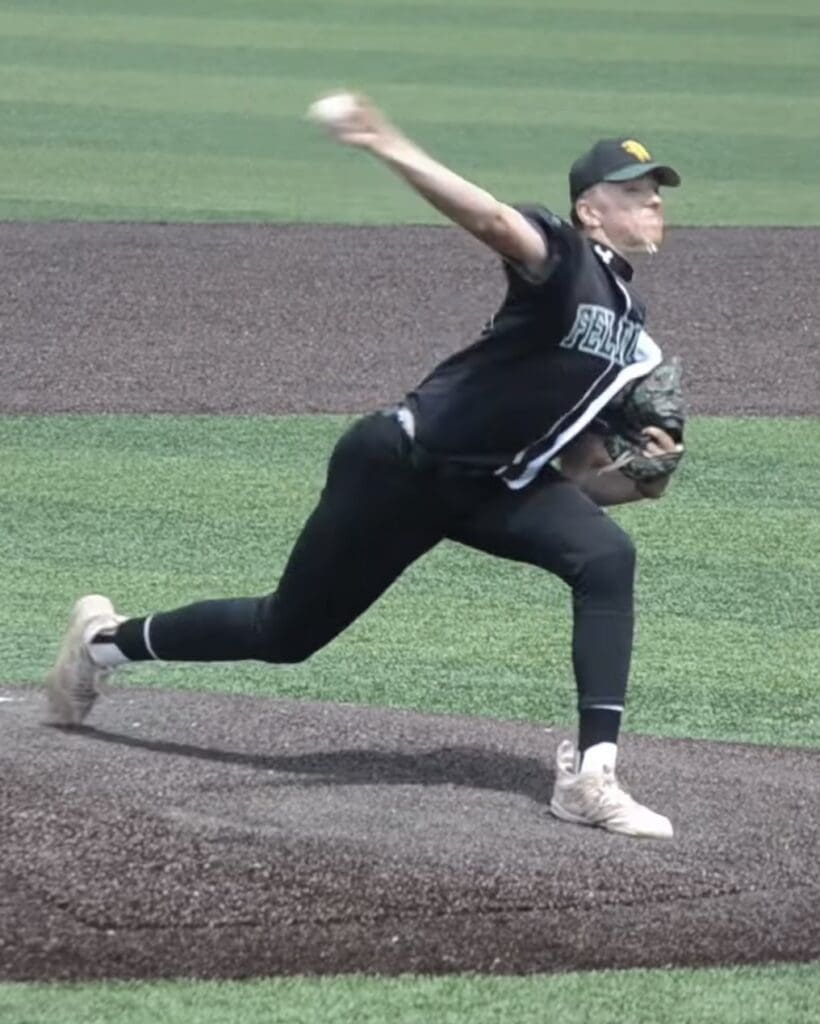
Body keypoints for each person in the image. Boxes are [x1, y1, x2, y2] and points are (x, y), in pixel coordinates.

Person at [47, 94, 684, 840]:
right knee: (284, 634)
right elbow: (491, 221)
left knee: (605, 555)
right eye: (631, 190)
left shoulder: (634, 339)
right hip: (400, 466)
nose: (652, 201)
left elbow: (579, 474)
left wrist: (642, 477)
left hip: (492, 489)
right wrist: (388, 143)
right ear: (589, 211)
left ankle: (591, 777)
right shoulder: (565, 260)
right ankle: (102, 644)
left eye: (656, 190)